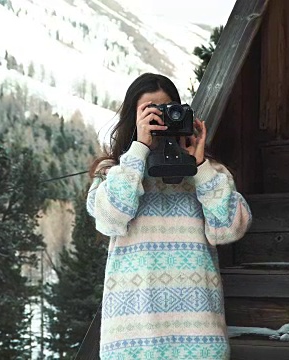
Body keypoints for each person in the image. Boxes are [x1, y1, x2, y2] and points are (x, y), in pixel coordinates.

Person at [86, 73, 252, 360]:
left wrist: (199, 167)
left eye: (166, 110)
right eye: (149, 111)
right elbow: (110, 218)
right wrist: (138, 151)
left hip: (199, 336)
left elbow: (228, 230)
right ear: (133, 118)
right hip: (133, 337)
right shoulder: (113, 173)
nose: (159, 119)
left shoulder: (208, 173)